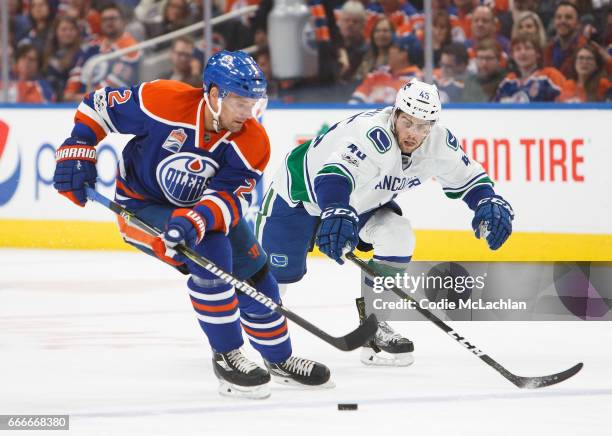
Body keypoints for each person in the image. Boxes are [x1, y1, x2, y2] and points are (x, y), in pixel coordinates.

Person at [52, 50, 332, 399]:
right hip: (141, 206)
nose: (249, 114)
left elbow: (228, 200)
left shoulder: (253, 141)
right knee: (210, 252)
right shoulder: (162, 100)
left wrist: (194, 219)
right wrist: (79, 144)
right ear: (213, 94)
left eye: (255, 104)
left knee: (259, 277)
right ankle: (227, 356)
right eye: (241, 104)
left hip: (201, 212)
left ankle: (279, 359)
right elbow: (99, 106)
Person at [256, 78, 514, 366]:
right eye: (408, 122)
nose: (414, 133)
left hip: (361, 203)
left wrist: (487, 201)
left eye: (423, 126)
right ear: (395, 114)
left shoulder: (438, 143)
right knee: (273, 284)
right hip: (299, 197)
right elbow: (333, 176)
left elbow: (469, 179)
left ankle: (375, 327)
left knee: (397, 234)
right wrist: (337, 211)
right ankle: (262, 345)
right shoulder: (371, 134)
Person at [63, 2, 140, 102]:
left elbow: (116, 81)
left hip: (113, 104)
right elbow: (79, 68)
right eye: (105, 19)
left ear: (123, 21)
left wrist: (87, 97)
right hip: (83, 100)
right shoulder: (93, 45)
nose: (109, 22)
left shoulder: (130, 46)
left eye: (112, 18)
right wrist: (70, 92)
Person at [349, 35, 423, 104]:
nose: (389, 50)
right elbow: (356, 100)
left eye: (394, 47)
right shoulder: (378, 73)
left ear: (403, 54)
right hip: (367, 116)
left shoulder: (417, 81)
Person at [495, 32, 567, 102]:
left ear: (538, 53)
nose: (523, 52)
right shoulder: (508, 81)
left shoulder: (550, 75)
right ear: (513, 55)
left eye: (528, 48)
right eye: (517, 49)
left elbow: (565, 104)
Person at [543, 1, 588, 78]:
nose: (562, 21)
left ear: (578, 24)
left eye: (568, 17)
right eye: (558, 17)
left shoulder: (586, 48)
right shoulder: (547, 48)